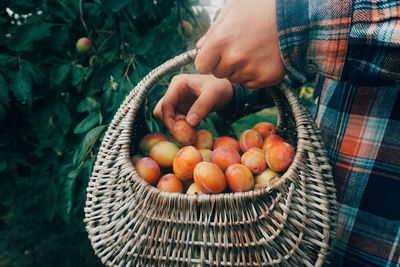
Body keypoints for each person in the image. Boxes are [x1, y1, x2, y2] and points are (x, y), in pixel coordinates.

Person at [153, 0, 400, 266]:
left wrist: (297, 25)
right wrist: (235, 86)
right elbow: (328, 67)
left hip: (381, 243)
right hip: (309, 226)